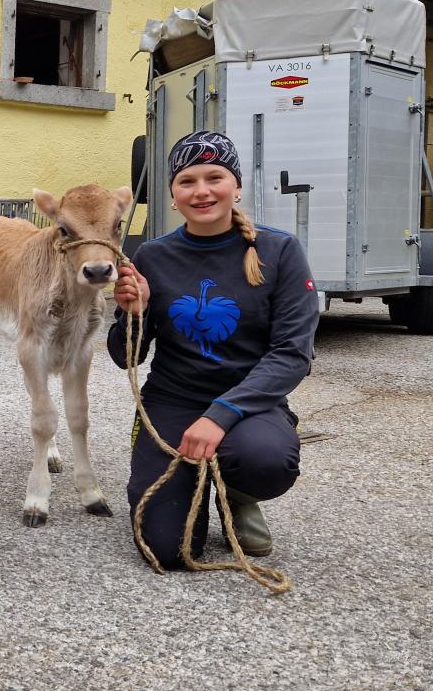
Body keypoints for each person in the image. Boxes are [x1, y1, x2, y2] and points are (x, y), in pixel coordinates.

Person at [108, 129, 318, 568]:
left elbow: (292, 354)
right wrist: (134, 313)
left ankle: (236, 495)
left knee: (265, 460)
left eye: (215, 177)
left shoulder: (279, 251)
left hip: (248, 406)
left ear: (236, 186)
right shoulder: (152, 256)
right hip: (171, 400)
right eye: (187, 181)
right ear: (172, 194)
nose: (201, 191)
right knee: (168, 551)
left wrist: (219, 416)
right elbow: (124, 358)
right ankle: (191, 489)